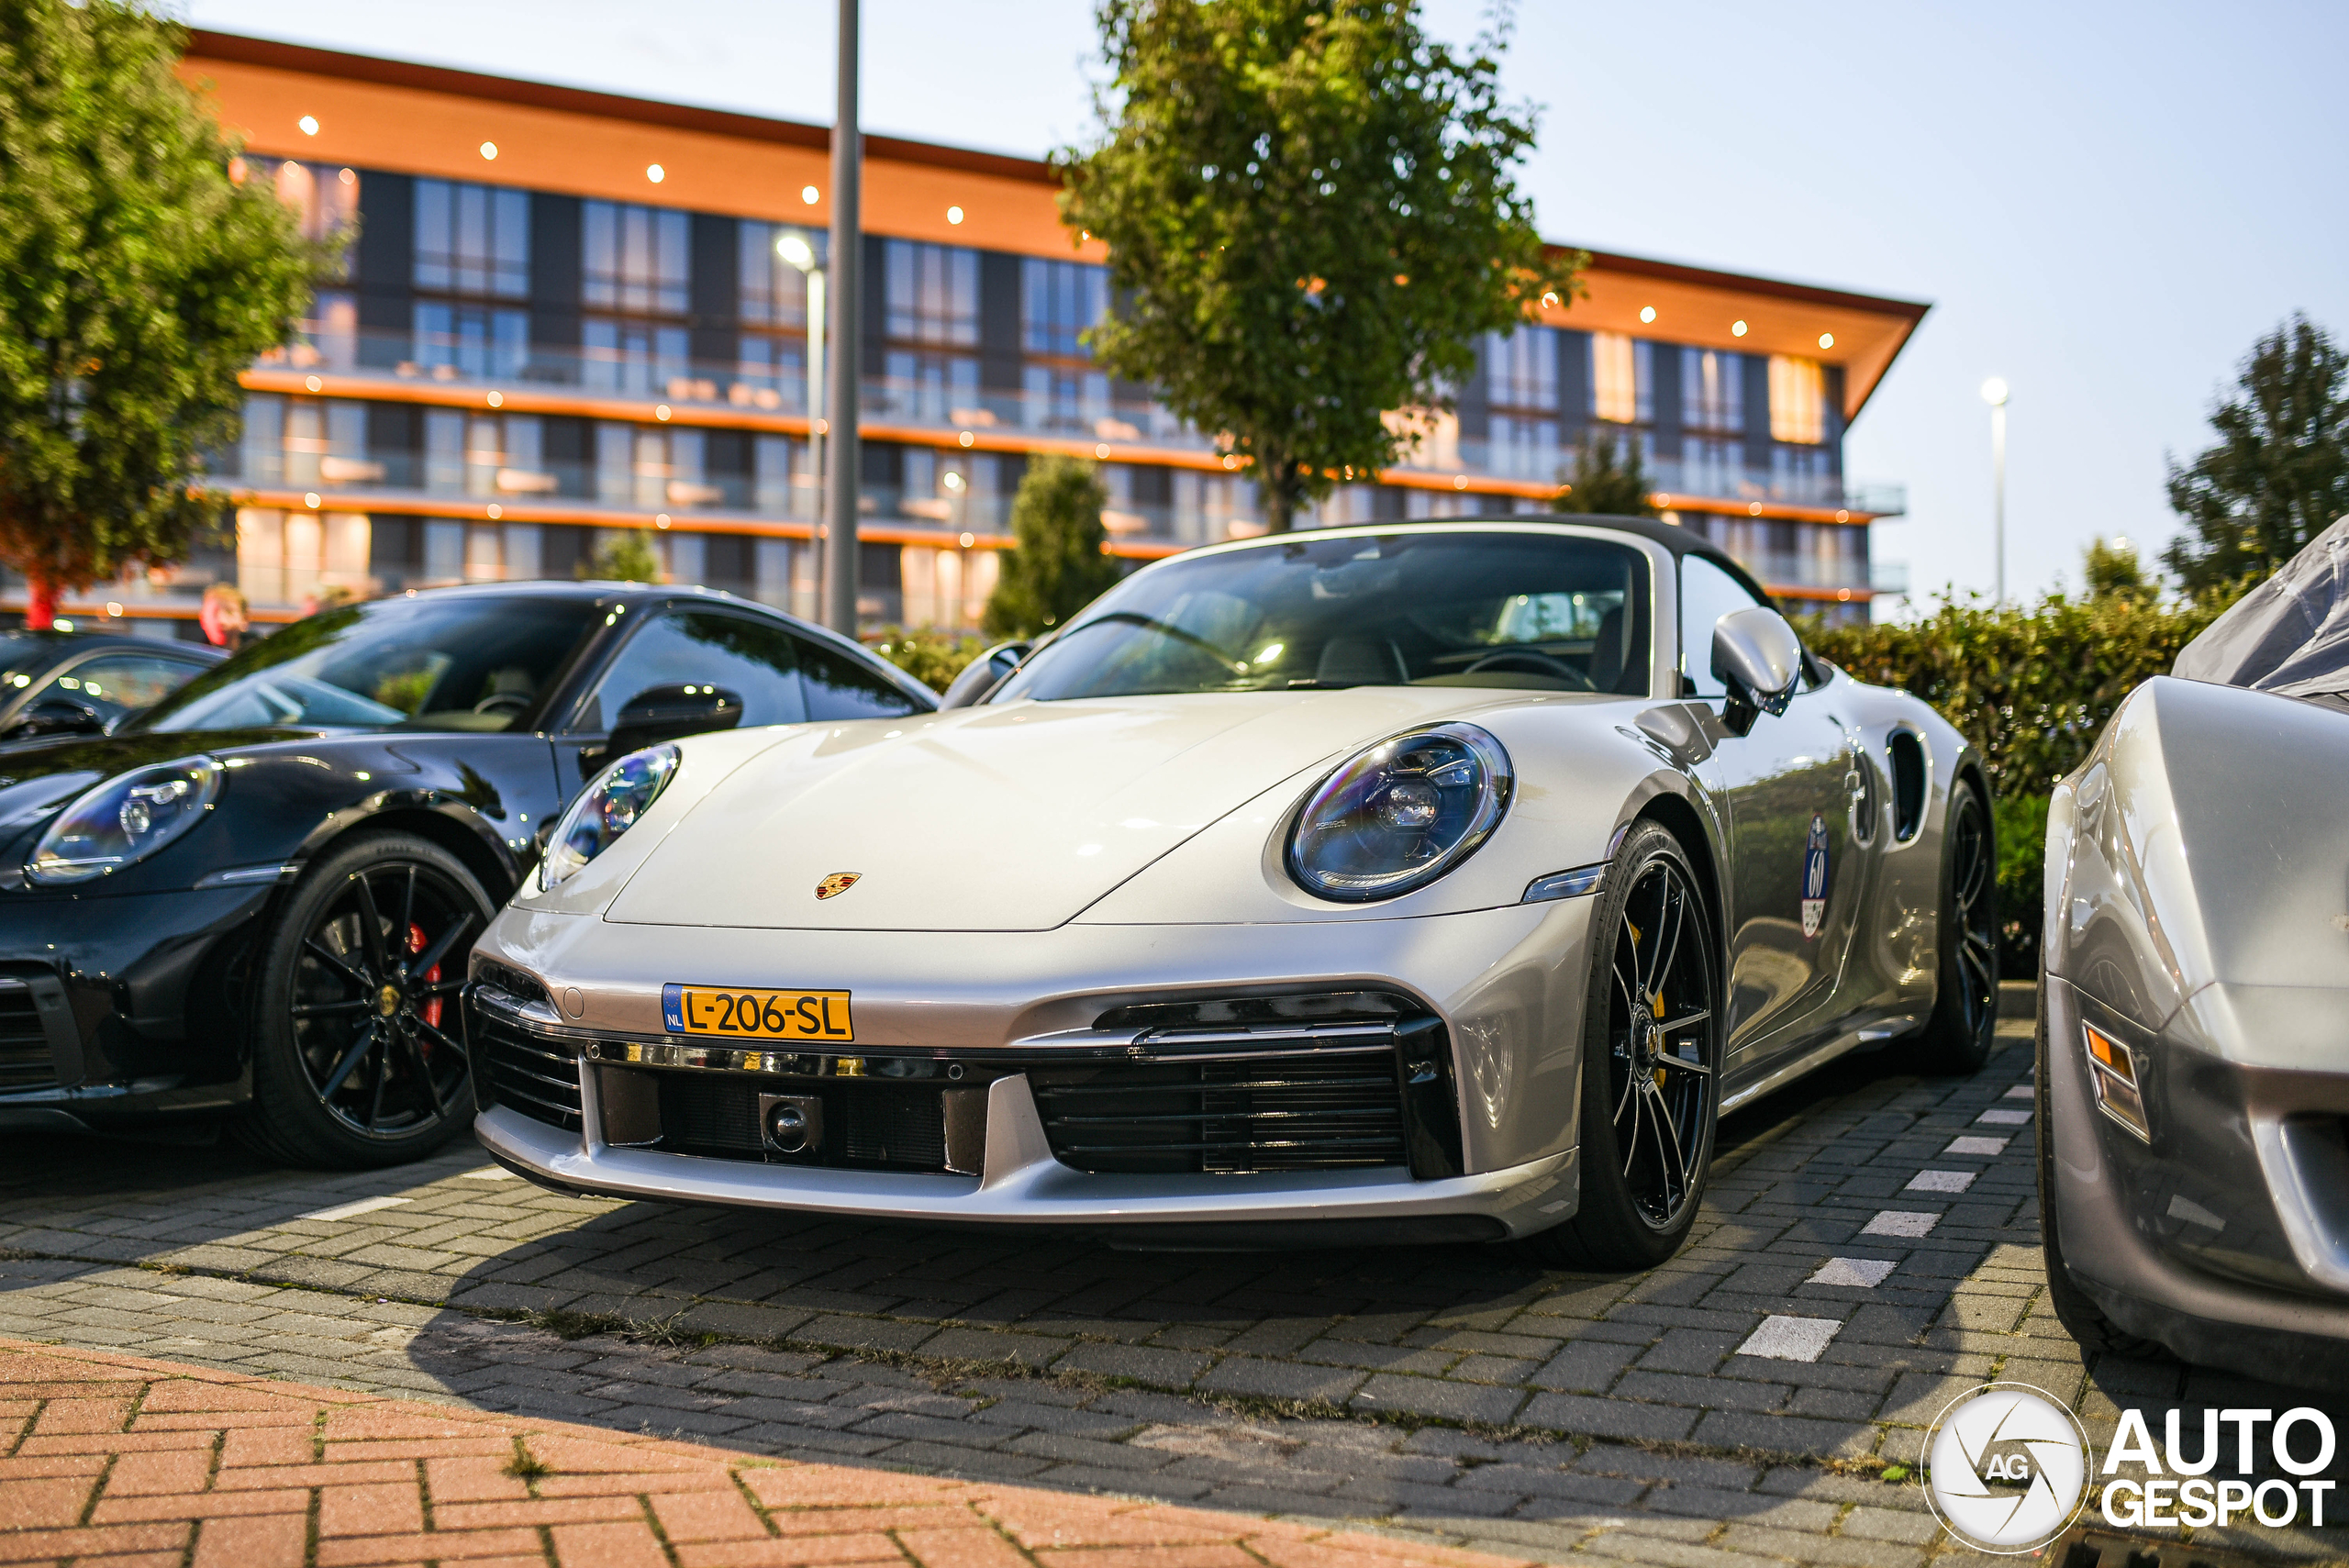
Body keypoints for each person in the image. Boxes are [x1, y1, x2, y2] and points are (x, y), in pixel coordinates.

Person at [199, 583, 250, 651]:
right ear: (202, 619)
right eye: (214, 613)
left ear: (244, 619)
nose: (221, 621)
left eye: (229, 612)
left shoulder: (260, 655)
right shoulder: (190, 658)